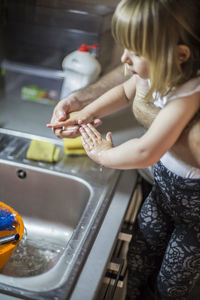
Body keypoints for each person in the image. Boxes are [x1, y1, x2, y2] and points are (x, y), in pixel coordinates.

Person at [48, 0, 200, 298]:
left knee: (171, 285)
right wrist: (85, 113)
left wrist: (104, 155)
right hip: (163, 194)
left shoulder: (188, 94)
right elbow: (123, 90)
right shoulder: (152, 72)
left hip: (194, 215)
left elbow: (146, 151)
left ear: (179, 55)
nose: (124, 58)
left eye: (135, 51)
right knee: (139, 257)